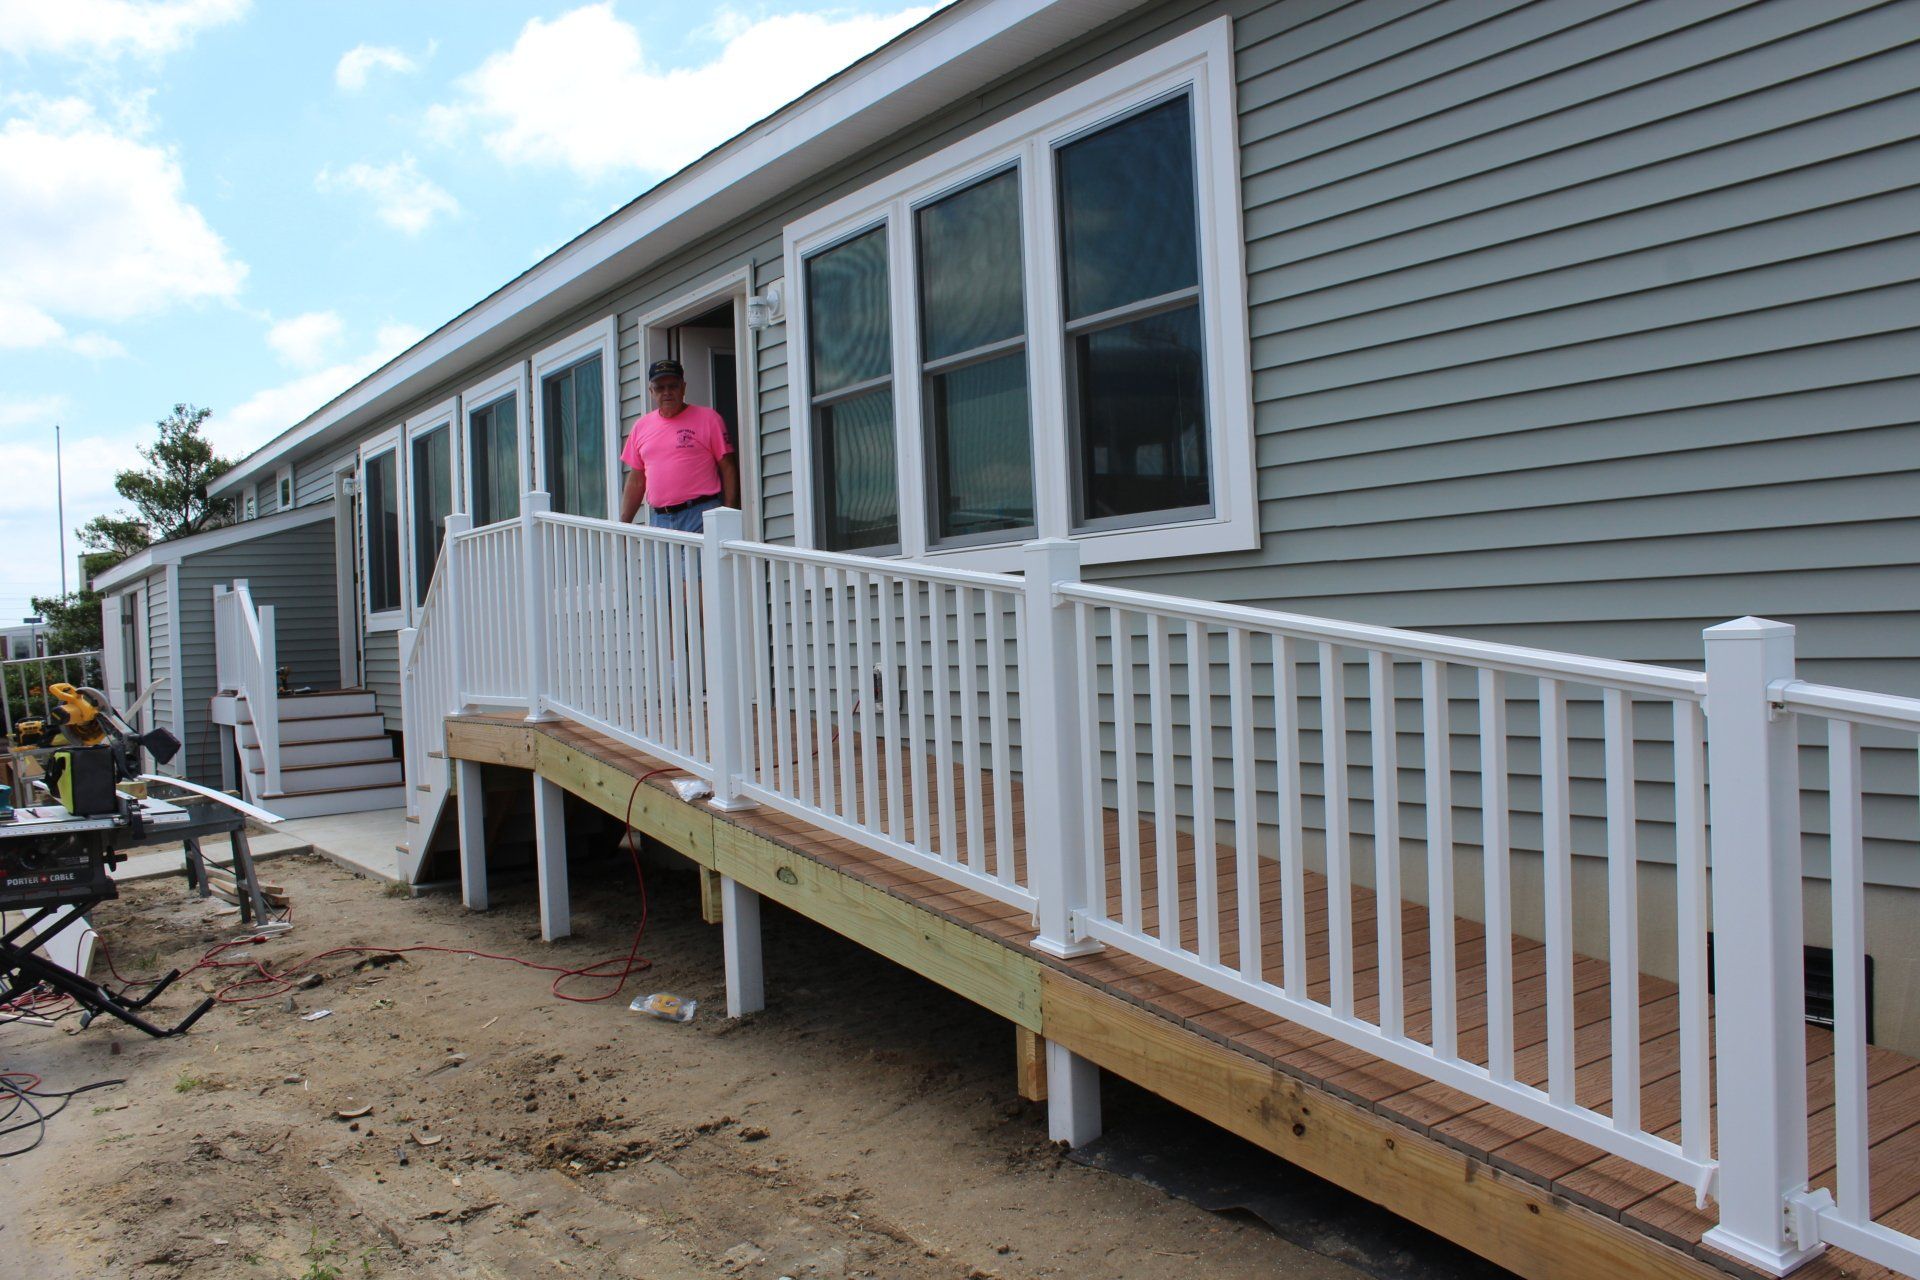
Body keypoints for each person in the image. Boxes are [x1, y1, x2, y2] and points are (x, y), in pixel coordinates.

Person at [619, 358, 740, 531]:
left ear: (683, 387)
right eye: (660, 387)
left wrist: (728, 514)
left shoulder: (709, 419)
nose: (667, 392)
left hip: (701, 515)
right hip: (660, 520)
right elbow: (637, 480)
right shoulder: (641, 426)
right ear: (651, 391)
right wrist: (623, 525)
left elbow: (728, 467)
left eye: (673, 386)